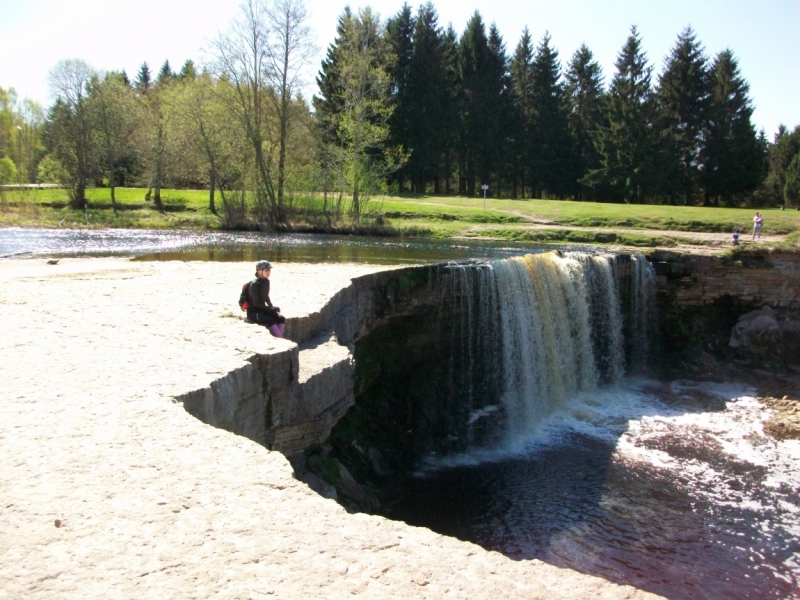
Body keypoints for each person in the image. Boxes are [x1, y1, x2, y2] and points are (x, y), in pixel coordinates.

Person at [247, 260, 285, 338]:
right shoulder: (255, 284)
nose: (269, 272)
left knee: (281, 318)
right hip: (253, 312)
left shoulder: (266, 282)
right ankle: (280, 339)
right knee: (269, 320)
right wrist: (269, 309)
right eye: (266, 270)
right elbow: (256, 303)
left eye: (269, 270)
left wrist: (272, 307)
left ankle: (279, 337)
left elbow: (266, 296)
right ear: (260, 271)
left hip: (262, 309)